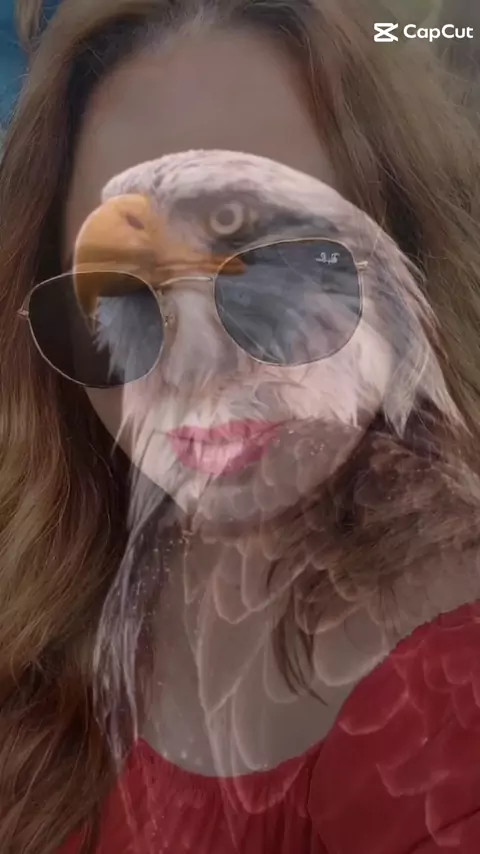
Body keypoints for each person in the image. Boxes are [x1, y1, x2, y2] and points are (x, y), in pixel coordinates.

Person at [1, 1, 480, 853]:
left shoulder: (444, 672)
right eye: (121, 295)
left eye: (276, 264)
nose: (194, 369)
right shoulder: (48, 559)